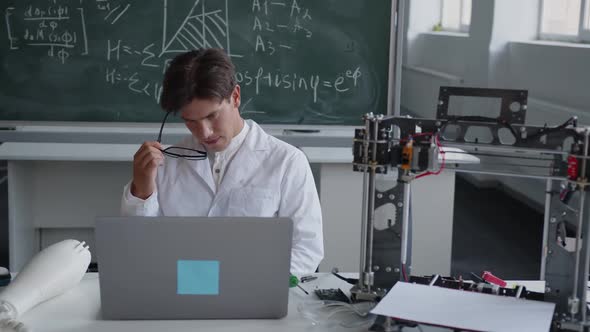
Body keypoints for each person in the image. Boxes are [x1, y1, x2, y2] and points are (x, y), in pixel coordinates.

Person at [120, 48, 324, 273]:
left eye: (211, 116)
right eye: (191, 121)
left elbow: (306, 249)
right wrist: (142, 190)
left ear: (235, 97)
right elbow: (140, 248)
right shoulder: (165, 163)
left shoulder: (287, 162)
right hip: (181, 296)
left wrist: (254, 283)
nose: (205, 132)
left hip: (255, 296)